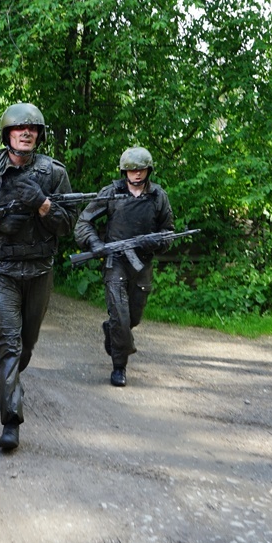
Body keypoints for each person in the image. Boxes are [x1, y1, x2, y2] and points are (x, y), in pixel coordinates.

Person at [0, 103, 76, 451]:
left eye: (33, 129)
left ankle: (12, 378)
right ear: (7, 134)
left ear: (38, 135)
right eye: (19, 128)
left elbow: (69, 225)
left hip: (39, 270)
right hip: (1, 272)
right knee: (8, 343)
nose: (26, 133)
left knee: (25, 346)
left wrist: (43, 204)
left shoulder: (54, 175)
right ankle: (11, 421)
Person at [74, 147, 174, 387]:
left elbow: (169, 231)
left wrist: (158, 241)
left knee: (132, 318)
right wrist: (95, 243)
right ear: (124, 171)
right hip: (115, 262)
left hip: (142, 264)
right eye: (131, 170)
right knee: (120, 314)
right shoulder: (111, 193)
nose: (136, 174)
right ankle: (120, 367)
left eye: (141, 170)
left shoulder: (158, 196)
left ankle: (113, 330)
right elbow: (83, 222)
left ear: (149, 170)